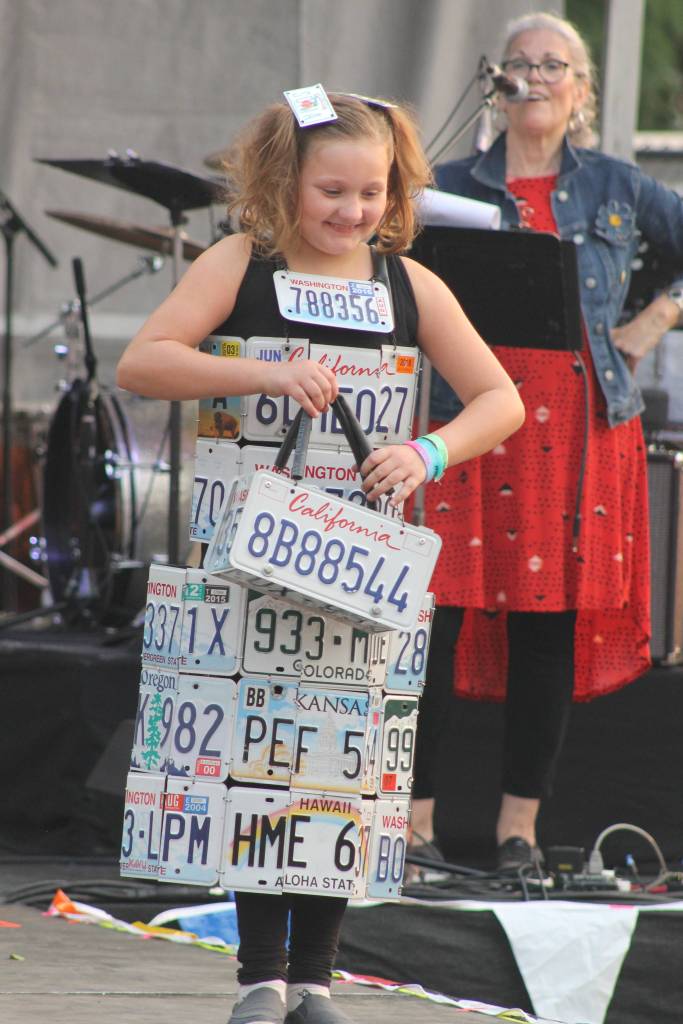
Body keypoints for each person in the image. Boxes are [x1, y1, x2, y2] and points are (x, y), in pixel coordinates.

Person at [116, 91, 524, 1024]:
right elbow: (144, 363)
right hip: (250, 551)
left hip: (360, 557)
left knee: (341, 755)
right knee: (258, 755)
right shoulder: (240, 263)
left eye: (371, 192)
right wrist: (263, 369)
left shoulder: (410, 285)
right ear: (283, 182)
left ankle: (316, 981)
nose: (351, 212)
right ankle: (260, 975)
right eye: (330, 191)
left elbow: (499, 400)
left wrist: (425, 452)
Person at [410, 10, 683, 875]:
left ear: (580, 91)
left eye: (553, 64)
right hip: (464, 418)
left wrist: (652, 319)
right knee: (432, 622)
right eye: (519, 63)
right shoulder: (443, 181)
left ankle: (517, 831)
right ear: (495, 83)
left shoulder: (616, 184)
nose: (534, 75)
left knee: (545, 629)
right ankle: (412, 829)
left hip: (573, 429)